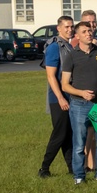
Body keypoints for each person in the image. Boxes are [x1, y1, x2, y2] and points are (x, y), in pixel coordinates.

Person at [61, 21, 97, 184]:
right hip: (79, 106)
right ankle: (79, 176)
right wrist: (81, 93)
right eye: (84, 32)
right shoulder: (71, 55)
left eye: (90, 31)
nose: (89, 34)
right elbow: (65, 84)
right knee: (79, 143)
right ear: (77, 36)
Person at [38, 15, 75, 178]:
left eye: (71, 26)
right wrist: (60, 97)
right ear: (58, 28)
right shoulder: (55, 47)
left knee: (68, 134)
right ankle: (44, 169)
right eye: (66, 27)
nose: (70, 29)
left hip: (70, 96)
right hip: (58, 98)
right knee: (59, 134)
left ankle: (72, 168)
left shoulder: (69, 46)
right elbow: (51, 76)